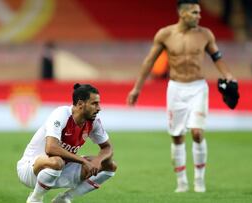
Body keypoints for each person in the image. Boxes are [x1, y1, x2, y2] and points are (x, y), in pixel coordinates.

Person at [127, 0, 235, 193]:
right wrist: (137, 88)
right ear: (183, 13)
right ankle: (182, 182)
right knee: (177, 136)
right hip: (176, 89)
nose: (199, 16)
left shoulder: (205, 34)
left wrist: (228, 76)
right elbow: (149, 61)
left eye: (199, 12)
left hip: (198, 88)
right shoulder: (165, 34)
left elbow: (217, 58)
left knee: (197, 132)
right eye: (195, 12)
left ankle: (200, 181)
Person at [17, 83, 117, 203]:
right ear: (80, 104)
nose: (99, 108)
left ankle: (65, 198)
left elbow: (107, 148)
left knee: (110, 166)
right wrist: (83, 161)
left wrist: (98, 161)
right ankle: (35, 199)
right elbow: (51, 148)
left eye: (98, 103)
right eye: (94, 103)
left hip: (61, 169)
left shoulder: (93, 122)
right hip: (31, 170)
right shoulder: (62, 114)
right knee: (57, 161)